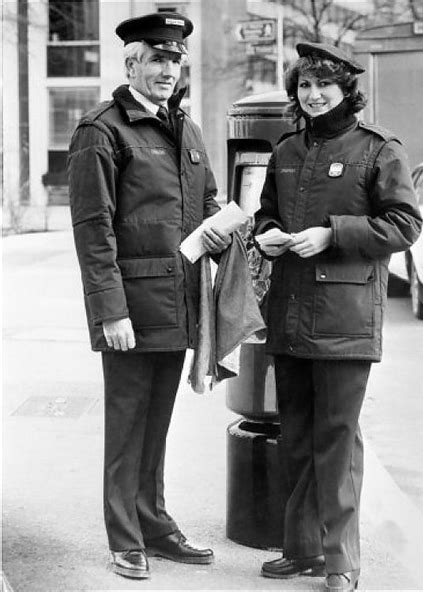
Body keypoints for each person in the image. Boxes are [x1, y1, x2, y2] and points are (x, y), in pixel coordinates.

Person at [253, 42, 422, 592]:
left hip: (346, 320)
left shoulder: (379, 149)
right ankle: (300, 550)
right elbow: (267, 215)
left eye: (323, 84)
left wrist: (334, 232)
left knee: (337, 440)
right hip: (291, 313)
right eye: (303, 85)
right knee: (296, 435)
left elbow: (404, 225)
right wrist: (268, 237)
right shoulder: (286, 150)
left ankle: (340, 561)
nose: (313, 94)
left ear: (347, 88)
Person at [68, 12, 230, 580]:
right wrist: (109, 310)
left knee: (156, 425)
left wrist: (227, 222)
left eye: (175, 59)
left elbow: (204, 200)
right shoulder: (102, 130)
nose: (167, 69)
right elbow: (94, 229)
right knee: (127, 425)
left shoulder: (185, 127)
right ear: (131, 64)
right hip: (131, 310)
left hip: (179, 303)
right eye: (156, 58)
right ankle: (125, 537)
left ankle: (154, 524)